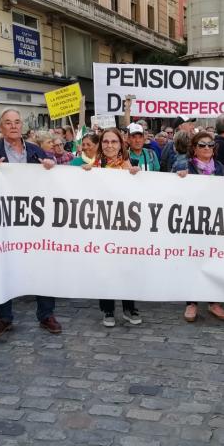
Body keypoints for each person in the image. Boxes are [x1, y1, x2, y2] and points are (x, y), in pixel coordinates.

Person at [0, 108, 63, 337]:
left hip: (34, 220)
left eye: (17, 122)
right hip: (4, 220)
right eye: (8, 122)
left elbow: (52, 183)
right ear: (0, 127)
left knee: (42, 265)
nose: (14, 126)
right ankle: (4, 317)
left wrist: (50, 167)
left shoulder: (36, 151)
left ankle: (46, 315)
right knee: (4, 266)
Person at [81, 127, 142, 327]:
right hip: (102, 226)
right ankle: (107, 309)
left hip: (125, 226)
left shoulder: (129, 166)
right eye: (105, 142)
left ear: (121, 144)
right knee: (106, 268)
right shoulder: (90, 166)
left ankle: (128, 307)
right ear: (100, 145)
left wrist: (137, 177)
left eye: (113, 142)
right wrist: (84, 175)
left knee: (127, 266)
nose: (109, 146)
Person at [174, 131, 224, 322]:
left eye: (210, 145)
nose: (207, 148)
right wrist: (178, 179)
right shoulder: (184, 165)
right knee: (193, 261)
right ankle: (192, 303)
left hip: (215, 221)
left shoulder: (220, 167)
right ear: (194, 148)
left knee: (214, 261)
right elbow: (172, 191)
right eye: (202, 145)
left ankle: (214, 302)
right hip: (192, 221)